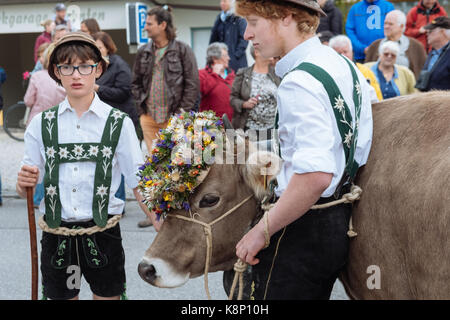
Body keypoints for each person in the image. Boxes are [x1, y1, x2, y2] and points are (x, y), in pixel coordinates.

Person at [234, 0, 375, 299]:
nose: (247, 34)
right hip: (336, 217)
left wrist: (261, 231)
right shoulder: (343, 64)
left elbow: (315, 176)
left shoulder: (299, 81)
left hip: (300, 224)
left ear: (286, 17)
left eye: (253, 21)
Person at [16, 32, 160, 300]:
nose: (76, 74)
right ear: (56, 72)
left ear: (99, 69)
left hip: (104, 234)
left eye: (85, 66)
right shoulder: (40, 124)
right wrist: (23, 181)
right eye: (67, 66)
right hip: (56, 236)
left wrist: (158, 220)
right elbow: (26, 181)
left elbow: (139, 181)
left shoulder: (119, 123)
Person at [131, 6, 199, 227]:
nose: (145, 27)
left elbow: (192, 84)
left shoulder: (182, 50)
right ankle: (158, 213)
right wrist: (141, 109)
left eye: (149, 23)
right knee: (157, 166)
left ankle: (180, 211)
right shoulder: (143, 51)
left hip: (174, 118)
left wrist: (181, 114)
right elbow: (135, 83)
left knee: (177, 165)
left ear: (163, 25)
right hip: (149, 117)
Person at [92, 31, 140, 209]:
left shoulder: (118, 64)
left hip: (120, 116)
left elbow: (124, 92)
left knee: (120, 161)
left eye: (99, 47)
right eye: (94, 48)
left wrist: (98, 88)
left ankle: (117, 204)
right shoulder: (94, 65)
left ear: (107, 47)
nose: (97, 51)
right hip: (101, 120)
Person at [24, 43, 66, 207]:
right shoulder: (62, 78)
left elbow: (28, 100)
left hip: (38, 121)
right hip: (59, 121)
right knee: (55, 160)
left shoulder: (36, 77)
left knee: (38, 161)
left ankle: (38, 198)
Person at [230, 44, 280, 138]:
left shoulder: (277, 73)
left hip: (272, 130)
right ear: (256, 52)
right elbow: (232, 99)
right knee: (252, 153)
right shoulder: (243, 73)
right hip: (249, 130)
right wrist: (244, 104)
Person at [365, 10, 428, 80]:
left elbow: (423, 73)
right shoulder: (375, 45)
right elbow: (365, 72)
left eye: (390, 24)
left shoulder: (416, 46)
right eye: (385, 23)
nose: (386, 27)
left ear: (401, 26)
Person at [329, 35, 383, 101]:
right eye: (339, 53)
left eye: (345, 52)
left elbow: (378, 98)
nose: (343, 56)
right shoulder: (329, 74)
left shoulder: (365, 71)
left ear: (352, 52)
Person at [199, 42, 236, 120]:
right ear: (215, 58)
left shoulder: (233, 75)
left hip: (232, 126)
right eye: (225, 56)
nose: (229, 58)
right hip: (211, 126)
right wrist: (214, 74)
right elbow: (201, 92)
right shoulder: (202, 74)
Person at [209, 0, 248, 72]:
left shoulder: (239, 17)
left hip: (237, 63)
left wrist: (235, 56)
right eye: (221, 1)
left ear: (232, 2)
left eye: (225, 1)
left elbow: (244, 39)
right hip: (221, 62)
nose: (222, 3)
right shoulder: (219, 19)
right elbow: (213, 40)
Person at [416, 16, 450, 91]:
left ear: (443, 32)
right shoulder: (432, 53)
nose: (427, 33)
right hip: (427, 100)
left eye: (430, 31)